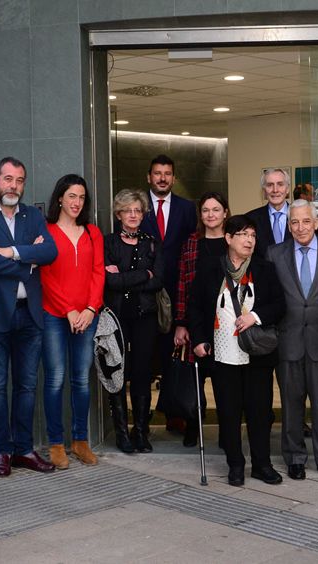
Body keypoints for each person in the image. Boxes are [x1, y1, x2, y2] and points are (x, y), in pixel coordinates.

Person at [0, 156, 58, 477]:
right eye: (7, 179)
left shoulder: (33, 215)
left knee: (27, 386)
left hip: (28, 315)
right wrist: (29, 259)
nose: (13, 186)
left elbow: (50, 252)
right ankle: (3, 450)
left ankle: (24, 450)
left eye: (19, 181)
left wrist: (12, 251)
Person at [188, 215, 284, 486]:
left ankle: (262, 464)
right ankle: (236, 464)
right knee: (229, 413)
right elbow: (195, 307)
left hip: (257, 353)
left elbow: (280, 305)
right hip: (223, 355)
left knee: (260, 412)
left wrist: (255, 316)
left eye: (252, 235)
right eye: (243, 235)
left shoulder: (265, 269)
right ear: (228, 238)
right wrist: (198, 339)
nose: (249, 240)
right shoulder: (210, 268)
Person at [268, 200, 318, 482]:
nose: (300, 227)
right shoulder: (274, 254)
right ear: (289, 226)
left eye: (305, 221)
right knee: (291, 403)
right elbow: (272, 297)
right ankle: (294, 458)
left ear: (316, 223)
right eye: (294, 222)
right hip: (288, 340)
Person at [42, 174, 106, 469]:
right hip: (54, 316)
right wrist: (68, 309)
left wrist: (91, 308)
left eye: (81, 197)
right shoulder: (46, 231)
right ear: (60, 198)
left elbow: (98, 273)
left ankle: (80, 441)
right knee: (55, 379)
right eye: (71, 196)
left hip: (87, 316)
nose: (76, 202)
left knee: (81, 379)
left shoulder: (93, 232)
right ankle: (56, 444)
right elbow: (46, 276)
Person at [139, 154, 197, 435]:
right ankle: (141, 417)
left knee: (174, 353)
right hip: (143, 290)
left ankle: (174, 413)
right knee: (144, 355)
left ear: (173, 178)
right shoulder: (136, 207)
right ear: (149, 177)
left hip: (177, 291)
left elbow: (191, 246)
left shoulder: (186, 208)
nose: (162, 178)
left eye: (167, 174)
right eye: (157, 173)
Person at [103, 189, 164, 454]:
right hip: (116, 318)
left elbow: (158, 280)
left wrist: (125, 278)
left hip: (145, 317)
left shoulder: (152, 243)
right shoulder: (108, 243)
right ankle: (121, 434)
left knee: (142, 372)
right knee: (117, 371)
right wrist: (143, 274)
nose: (133, 215)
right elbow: (109, 281)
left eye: (137, 210)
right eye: (127, 210)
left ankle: (140, 432)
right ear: (118, 214)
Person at [173, 191, 230, 447]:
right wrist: (181, 323)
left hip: (227, 323)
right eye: (206, 210)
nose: (210, 214)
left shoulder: (233, 241)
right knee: (195, 380)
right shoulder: (191, 243)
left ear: (225, 213)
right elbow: (182, 284)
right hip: (197, 321)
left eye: (216, 209)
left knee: (225, 383)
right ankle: (193, 425)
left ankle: (226, 433)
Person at [249, 167, 294, 258]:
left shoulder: (300, 217)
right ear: (264, 190)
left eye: (280, 184)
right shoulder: (250, 219)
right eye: (270, 185)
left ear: (287, 189)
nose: (275, 190)